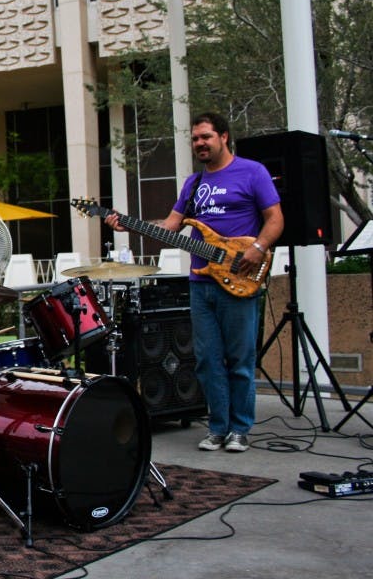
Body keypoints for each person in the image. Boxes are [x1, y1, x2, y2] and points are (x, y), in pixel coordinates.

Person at [106, 111, 283, 453]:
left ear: (224, 137)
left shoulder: (252, 172)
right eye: (196, 138)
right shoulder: (193, 184)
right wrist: (129, 224)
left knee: (240, 358)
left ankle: (240, 428)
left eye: (206, 137)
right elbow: (171, 226)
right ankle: (218, 428)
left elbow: (275, 219)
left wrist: (258, 248)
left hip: (239, 276)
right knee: (206, 359)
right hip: (201, 280)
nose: (200, 143)